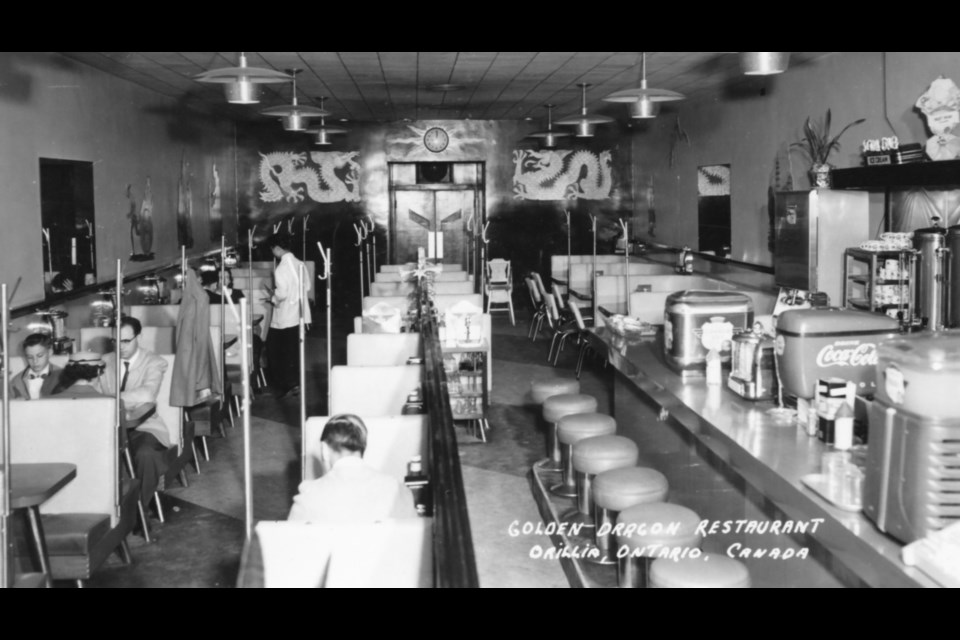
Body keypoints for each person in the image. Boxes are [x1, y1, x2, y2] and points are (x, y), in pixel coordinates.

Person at [94, 316, 171, 507]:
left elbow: (147, 393)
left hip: (144, 427)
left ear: (140, 337)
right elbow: (93, 393)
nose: (120, 347)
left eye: (126, 341)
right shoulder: (103, 362)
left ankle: (138, 511)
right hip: (108, 429)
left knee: (146, 455)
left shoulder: (154, 362)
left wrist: (111, 398)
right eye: (115, 341)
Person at [288, 414, 417, 523]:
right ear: (362, 447)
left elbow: (287, 544)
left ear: (325, 449)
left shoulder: (309, 496)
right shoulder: (396, 489)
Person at [265, 234, 311, 398]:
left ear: (277, 248)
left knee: (276, 351)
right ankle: (295, 383)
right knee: (293, 351)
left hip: (284, 317)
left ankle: (287, 385)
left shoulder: (281, 268)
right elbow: (307, 286)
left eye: (273, 250)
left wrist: (273, 297)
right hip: (298, 314)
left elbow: (282, 294)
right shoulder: (300, 264)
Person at [9, 333, 63, 399]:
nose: (35, 361)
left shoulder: (62, 377)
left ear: (50, 352)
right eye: (30, 357)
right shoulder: (16, 381)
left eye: (39, 356)